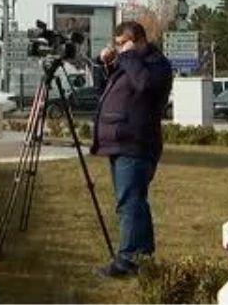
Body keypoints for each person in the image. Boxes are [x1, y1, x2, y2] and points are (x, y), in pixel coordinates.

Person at [90, 21, 174, 278]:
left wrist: (127, 56)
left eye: (122, 43)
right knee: (133, 202)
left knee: (130, 203)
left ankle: (127, 262)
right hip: (120, 143)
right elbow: (102, 90)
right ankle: (143, 257)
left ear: (138, 41)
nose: (118, 49)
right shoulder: (131, 63)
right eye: (116, 44)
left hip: (137, 144)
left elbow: (144, 85)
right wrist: (102, 65)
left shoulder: (156, 64)